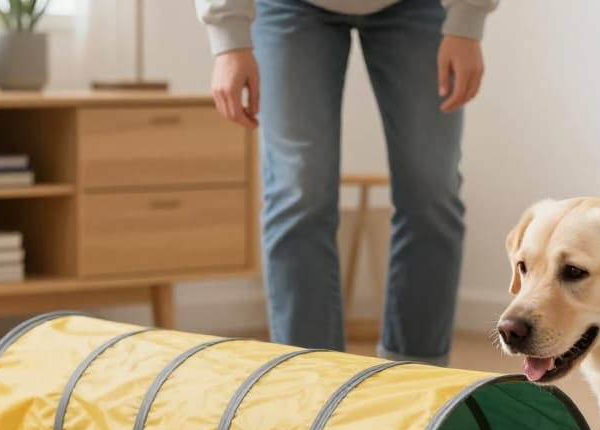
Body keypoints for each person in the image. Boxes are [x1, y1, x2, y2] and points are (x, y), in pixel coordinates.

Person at [196, 0, 499, 366]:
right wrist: (229, 37)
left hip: (419, 7)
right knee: (297, 192)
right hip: (288, 7)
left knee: (431, 191)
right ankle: (314, 381)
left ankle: (417, 376)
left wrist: (467, 19)